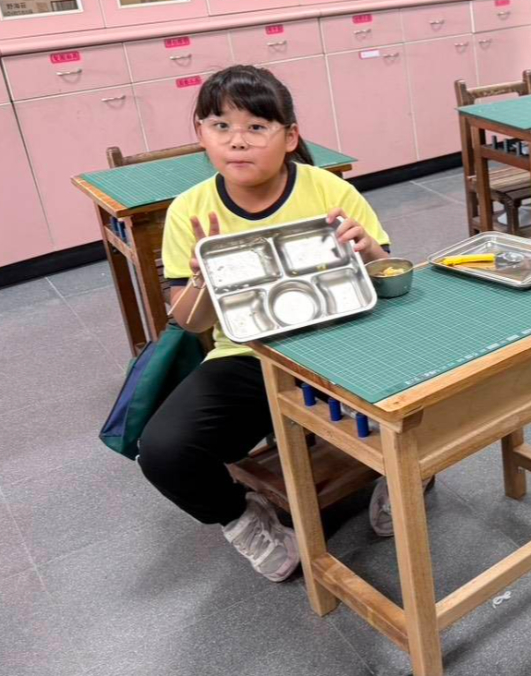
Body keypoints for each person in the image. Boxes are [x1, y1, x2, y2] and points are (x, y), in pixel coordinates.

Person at [138, 65, 404, 582]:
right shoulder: (189, 212)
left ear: (290, 137)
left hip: (348, 344)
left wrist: (372, 251)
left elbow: (388, 282)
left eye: (257, 127)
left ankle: (408, 475)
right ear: (201, 134)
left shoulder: (329, 190)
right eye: (220, 126)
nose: (237, 141)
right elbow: (190, 322)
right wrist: (202, 280)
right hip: (250, 357)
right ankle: (242, 516)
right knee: (165, 452)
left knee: (425, 397)